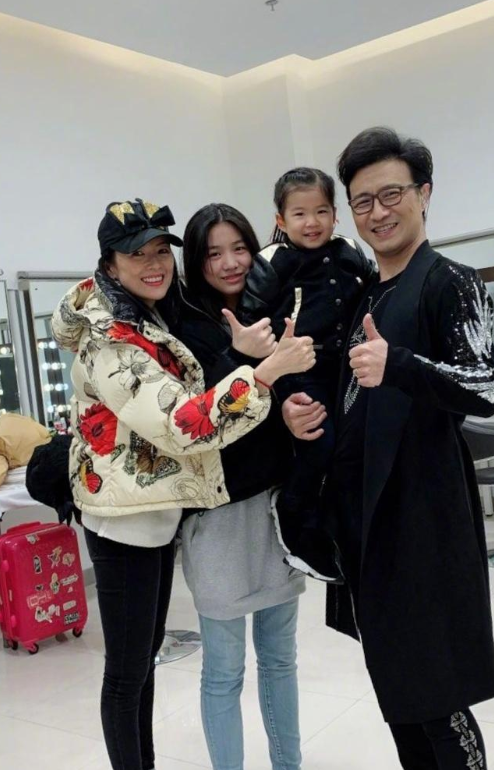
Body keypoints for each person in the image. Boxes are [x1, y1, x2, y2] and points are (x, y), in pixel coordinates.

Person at [51, 198, 314, 770]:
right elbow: (184, 424)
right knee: (137, 672)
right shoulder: (118, 336)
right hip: (138, 518)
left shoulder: (161, 316)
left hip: (166, 511)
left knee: (153, 664)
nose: (153, 264)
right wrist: (259, 368)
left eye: (158, 252)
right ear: (109, 264)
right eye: (136, 255)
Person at [282, 128, 494, 770]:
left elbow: (486, 386)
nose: (377, 212)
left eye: (391, 194)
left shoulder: (451, 282)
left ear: (423, 194)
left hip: (424, 518)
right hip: (367, 522)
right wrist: (298, 410)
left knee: (439, 695)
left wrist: (400, 364)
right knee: (401, 695)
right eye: (362, 201)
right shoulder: (365, 294)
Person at [175, 202, 309, 770]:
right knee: (223, 671)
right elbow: (190, 422)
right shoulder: (182, 327)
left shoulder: (276, 313)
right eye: (214, 253)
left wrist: (294, 412)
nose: (230, 263)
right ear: (196, 262)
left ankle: (288, 764)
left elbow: (287, 397)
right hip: (216, 517)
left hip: (274, 506)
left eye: (240, 249)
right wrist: (241, 357)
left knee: (280, 659)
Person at [238, 167, 375, 582]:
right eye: (299, 214)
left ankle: (338, 530)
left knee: (351, 447)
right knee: (319, 442)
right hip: (298, 369)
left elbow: (373, 289)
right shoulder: (272, 260)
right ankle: (293, 510)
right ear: (281, 220)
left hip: (345, 370)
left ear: (335, 213)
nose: (311, 222)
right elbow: (252, 315)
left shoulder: (350, 249)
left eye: (321, 211)